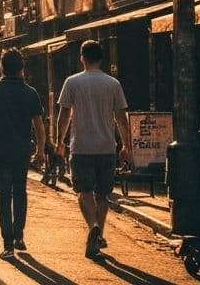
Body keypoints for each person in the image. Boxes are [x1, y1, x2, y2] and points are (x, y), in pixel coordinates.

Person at [55, 40, 131, 260]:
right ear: (101, 58)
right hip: (107, 147)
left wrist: (60, 141)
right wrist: (126, 145)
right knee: (103, 194)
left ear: (82, 57)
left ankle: (92, 227)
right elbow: (121, 119)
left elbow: (64, 115)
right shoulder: (113, 83)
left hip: (81, 147)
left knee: (84, 191)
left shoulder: (72, 82)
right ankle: (98, 235)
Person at [0, 51, 46, 259]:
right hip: (22, 151)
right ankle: (19, 235)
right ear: (22, 68)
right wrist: (40, 150)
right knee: (20, 192)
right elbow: (39, 126)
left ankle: (8, 244)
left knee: (3, 195)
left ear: (1, 67)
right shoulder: (30, 92)